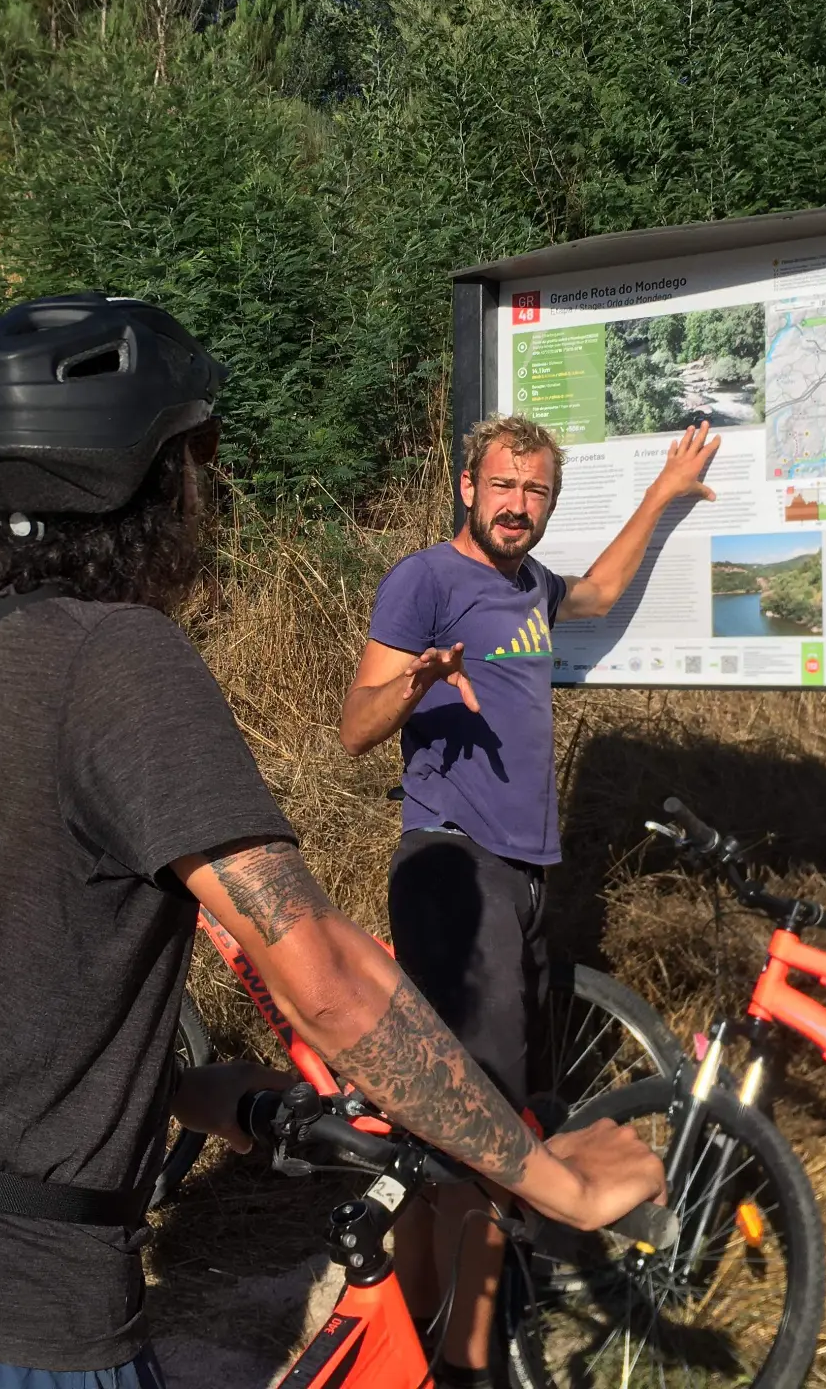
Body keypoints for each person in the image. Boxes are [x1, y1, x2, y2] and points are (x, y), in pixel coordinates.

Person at [0, 295, 665, 1389]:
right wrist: (547, 1177)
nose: (203, 493)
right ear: (143, 480)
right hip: (21, 1322)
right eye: (192, 461)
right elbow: (321, 971)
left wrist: (214, 1097)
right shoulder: (123, 659)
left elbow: (0, 963)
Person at [335, 411, 719, 1382]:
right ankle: (470, 1360)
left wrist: (663, 498)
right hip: (452, 868)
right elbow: (352, 728)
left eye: (535, 490)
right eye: (502, 485)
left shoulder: (530, 587)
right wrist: (416, 679)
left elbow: (593, 592)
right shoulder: (425, 580)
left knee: (506, 1109)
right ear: (467, 487)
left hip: (523, 873)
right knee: (481, 1117)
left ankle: (455, 1322)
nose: (517, 504)